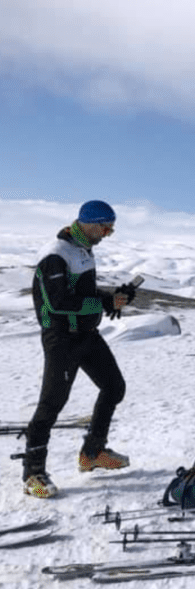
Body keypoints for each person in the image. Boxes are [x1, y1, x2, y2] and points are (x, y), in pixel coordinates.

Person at [22, 200, 135, 498]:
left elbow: (83, 294)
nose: (108, 233)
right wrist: (101, 302)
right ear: (88, 222)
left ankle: (93, 452)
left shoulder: (83, 250)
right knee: (52, 404)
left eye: (112, 228)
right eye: (105, 227)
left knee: (114, 386)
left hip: (86, 333)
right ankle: (33, 473)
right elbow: (57, 304)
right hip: (61, 338)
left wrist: (113, 299)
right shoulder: (55, 254)